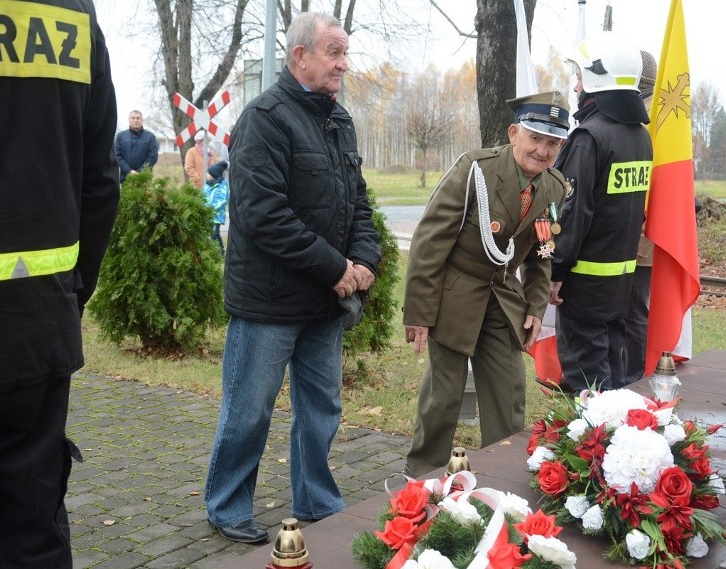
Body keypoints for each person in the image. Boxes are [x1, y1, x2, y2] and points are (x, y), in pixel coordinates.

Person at [204, 12, 381, 544]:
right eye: (333, 51)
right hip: (269, 304)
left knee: (322, 409)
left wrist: (365, 261)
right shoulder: (264, 118)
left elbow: (359, 202)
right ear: (298, 55)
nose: (343, 64)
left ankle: (317, 499)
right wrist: (337, 269)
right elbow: (264, 216)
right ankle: (228, 505)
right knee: (249, 408)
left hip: (325, 303)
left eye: (345, 53)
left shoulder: (338, 119)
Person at [0, 1, 119, 567]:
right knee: (31, 535)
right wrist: (67, 292)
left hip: (39, 325)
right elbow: (99, 181)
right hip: (37, 329)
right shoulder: (71, 12)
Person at [403, 91, 570, 477]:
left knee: (508, 393)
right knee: (443, 397)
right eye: (536, 139)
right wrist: (419, 313)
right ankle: (422, 480)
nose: (543, 151)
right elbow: (429, 243)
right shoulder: (475, 170)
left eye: (553, 143)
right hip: (454, 295)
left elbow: (542, 252)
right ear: (514, 133)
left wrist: (534, 307)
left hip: (502, 299)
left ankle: (503, 478)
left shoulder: (552, 188)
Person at [549, 32, 653, 394]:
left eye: (580, 75)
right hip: (620, 283)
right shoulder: (640, 136)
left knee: (585, 383)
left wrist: (555, 269)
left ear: (597, 78)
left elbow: (573, 213)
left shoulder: (589, 138)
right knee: (613, 372)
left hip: (584, 284)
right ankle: (619, 441)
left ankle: (592, 447)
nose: (576, 84)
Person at [623, 50, 658, 384]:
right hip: (642, 226)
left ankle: (634, 377)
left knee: (633, 311)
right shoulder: (653, 114)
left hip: (640, 230)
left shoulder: (646, 116)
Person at [114, 109, 159, 182]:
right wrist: (129, 171)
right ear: (129, 120)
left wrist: (139, 172)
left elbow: (153, 157)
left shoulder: (150, 137)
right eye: (133, 118)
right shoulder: (121, 136)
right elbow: (117, 156)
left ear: (142, 120)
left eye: (138, 118)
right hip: (125, 178)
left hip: (144, 178)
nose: (135, 120)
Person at [203, 161, 230, 256]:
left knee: (215, 233)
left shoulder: (222, 186)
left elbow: (222, 200)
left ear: (214, 175)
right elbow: (203, 197)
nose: (206, 175)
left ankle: (220, 250)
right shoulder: (207, 185)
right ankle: (211, 250)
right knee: (209, 233)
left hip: (216, 215)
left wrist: (211, 208)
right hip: (207, 213)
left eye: (208, 173)